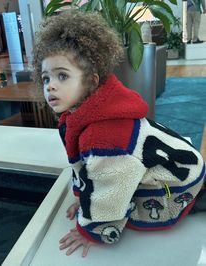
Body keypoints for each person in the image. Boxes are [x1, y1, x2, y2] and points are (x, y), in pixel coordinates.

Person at [32, 10, 206, 257]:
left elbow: (111, 187)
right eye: (46, 77)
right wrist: (84, 199)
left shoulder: (104, 136)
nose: (50, 85)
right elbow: (90, 168)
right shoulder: (84, 114)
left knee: (118, 189)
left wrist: (93, 228)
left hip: (180, 185)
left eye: (62, 75)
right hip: (166, 165)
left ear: (91, 81)